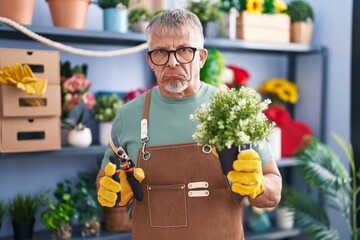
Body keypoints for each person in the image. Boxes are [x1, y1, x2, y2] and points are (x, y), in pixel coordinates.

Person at [96, 8, 282, 240]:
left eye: (184, 51)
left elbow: (273, 191)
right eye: (161, 52)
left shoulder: (234, 110)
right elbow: (104, 179)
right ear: (150, 60)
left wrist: (259, 185)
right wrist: (112, 188)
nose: (172, 62)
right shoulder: (128, 115)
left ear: (201, 57)